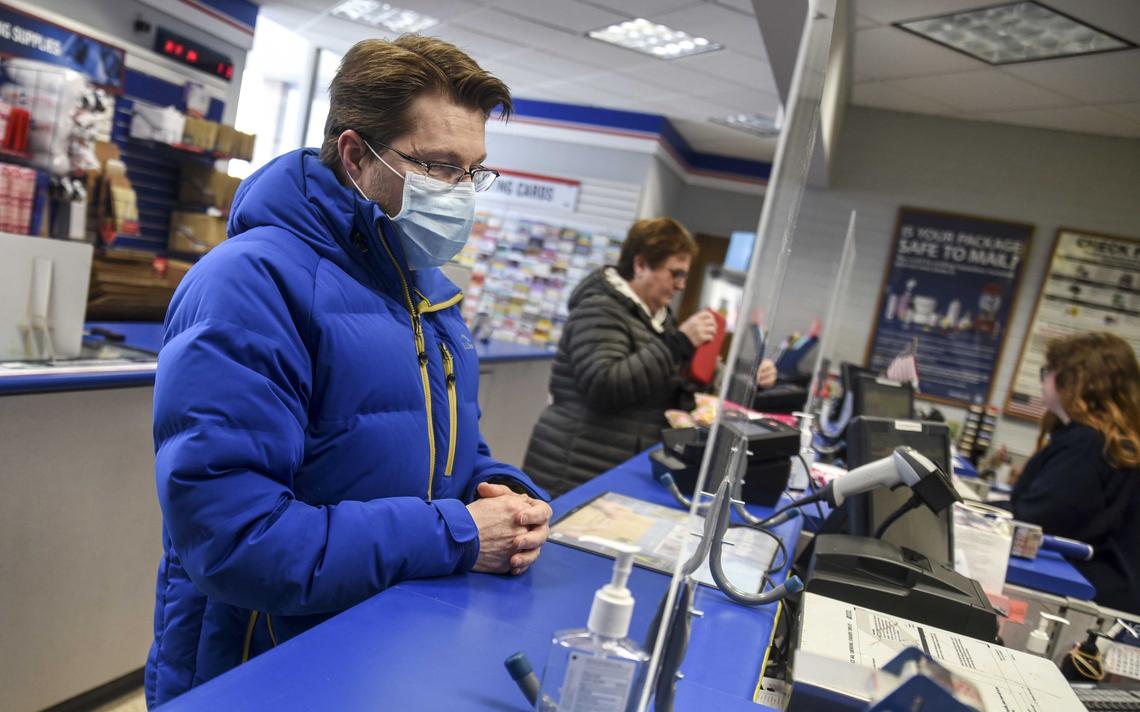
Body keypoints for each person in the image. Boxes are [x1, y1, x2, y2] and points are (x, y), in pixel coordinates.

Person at [145, 36, 552, 706]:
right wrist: (457, 534)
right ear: (357, 156)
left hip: (386, 647)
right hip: (262, 668)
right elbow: (237, 542)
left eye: (473, 172)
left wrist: (499, 493)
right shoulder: (250, 285)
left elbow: (449, 455)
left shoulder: (427, 291)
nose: (459, 195)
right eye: (438, 167)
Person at [524, 218, 728, 497]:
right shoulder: (599, 309)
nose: (681, 285)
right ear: (641, 264)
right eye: (675, 273)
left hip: (611, 466)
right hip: (575, 468)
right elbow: (604, 386)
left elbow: (657, 387)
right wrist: (677, 344)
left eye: (685, 276)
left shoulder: (660, 321)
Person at [1010, 332, 1140, 614]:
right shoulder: (1104, 440)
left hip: (1094, 596)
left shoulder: (1087, 445)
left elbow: (1033, 520)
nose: (1044, 380)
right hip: (1113, 590)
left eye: (1048, 372)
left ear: (1074, 382)